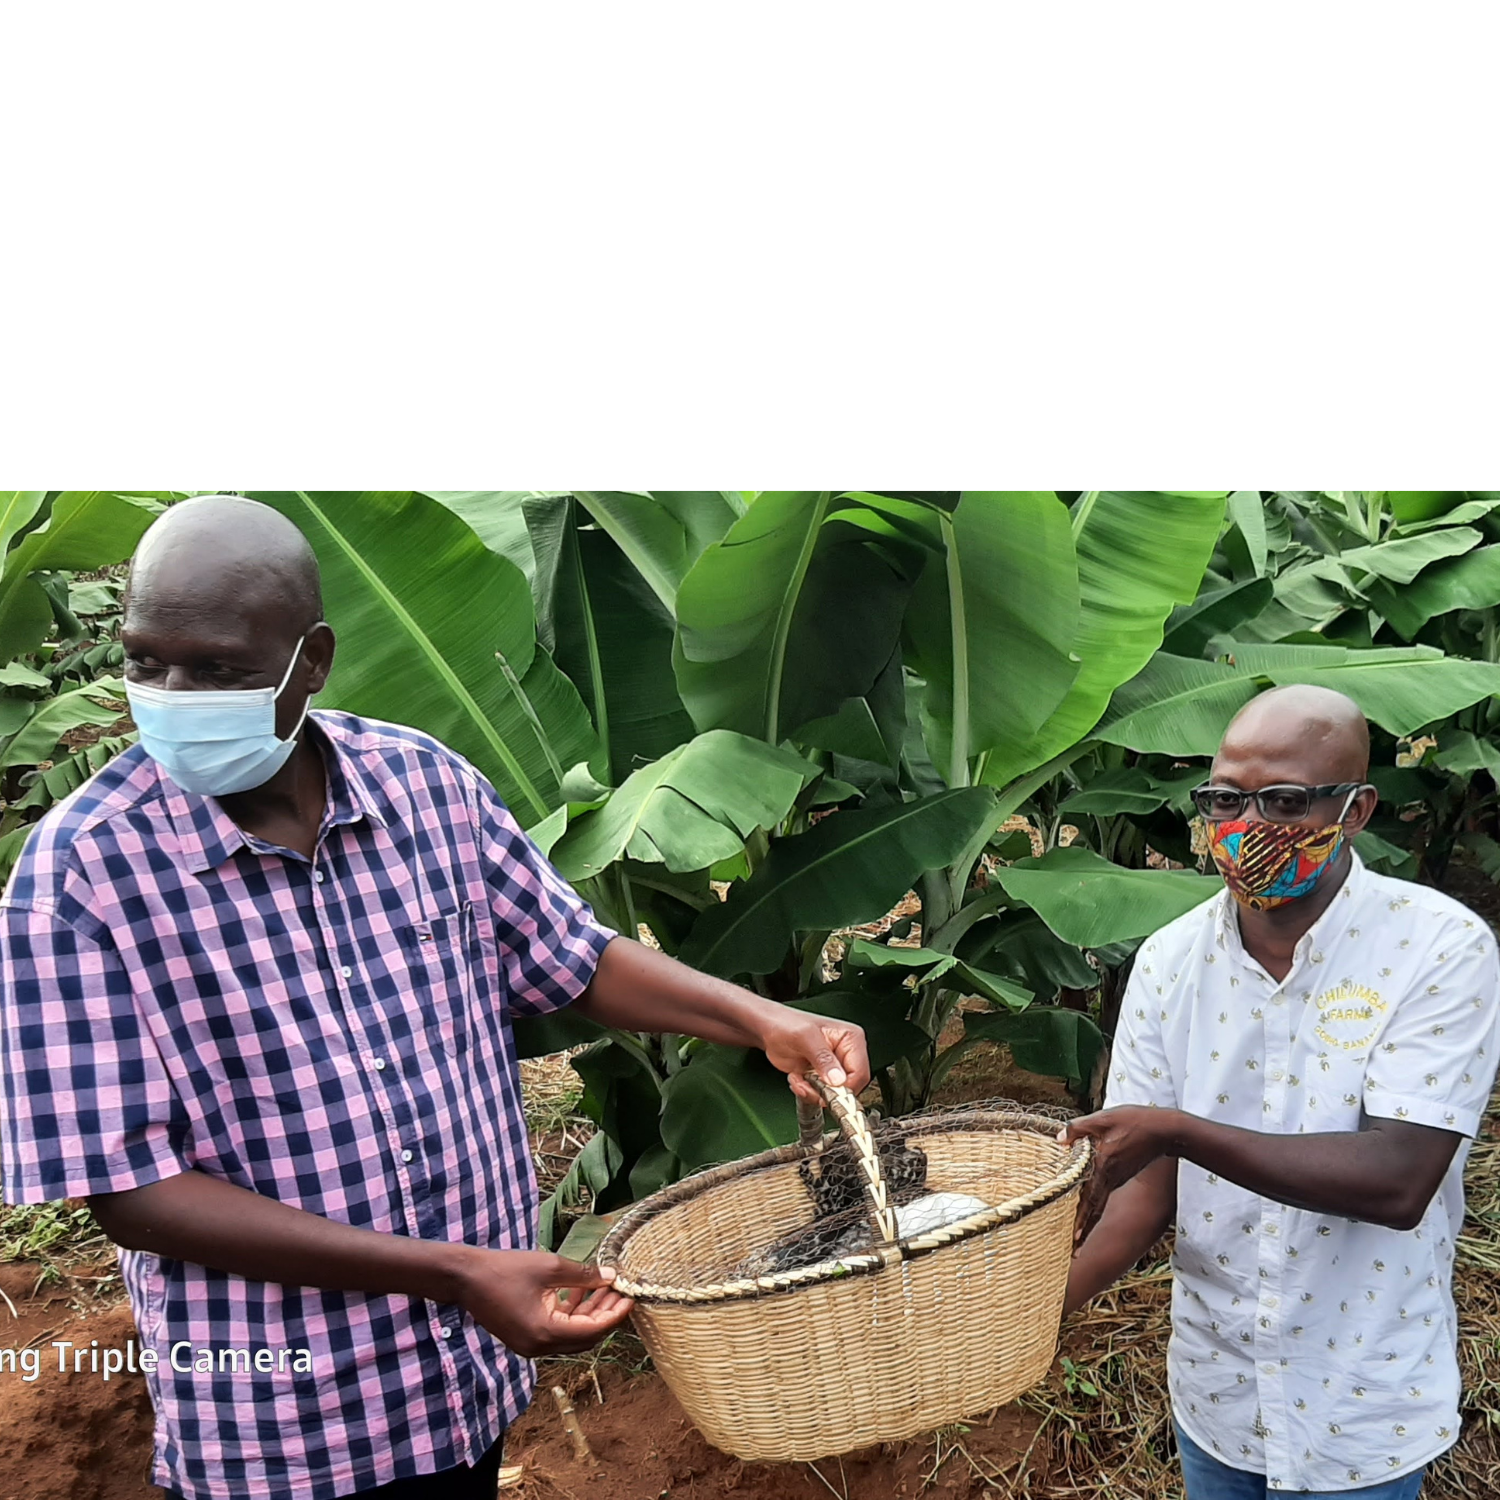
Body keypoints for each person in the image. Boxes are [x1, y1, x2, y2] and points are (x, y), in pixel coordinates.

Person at [0, 496, 870, 1500]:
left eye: (219, 671)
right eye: (147, 662)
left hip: (466, 1376)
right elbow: (132, 1191)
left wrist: (765, 1020)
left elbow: (572, 956)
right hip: (288, 1417)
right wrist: (456, 1273)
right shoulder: (80, 875)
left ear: (312, 660)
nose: (172, 698)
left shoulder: (424, 788)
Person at [1061, 684, 1500, 1499]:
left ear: (1356, 809)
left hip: (1362, 1402)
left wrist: (1178, 1130)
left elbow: (1399, 1180)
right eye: (1226, 799)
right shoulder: (1168, 962)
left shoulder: (1438, 948)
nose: (1248, 826)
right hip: (1218, 1393)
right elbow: (1144, 1196)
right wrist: (1025, 1320)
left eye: (1286, 801)